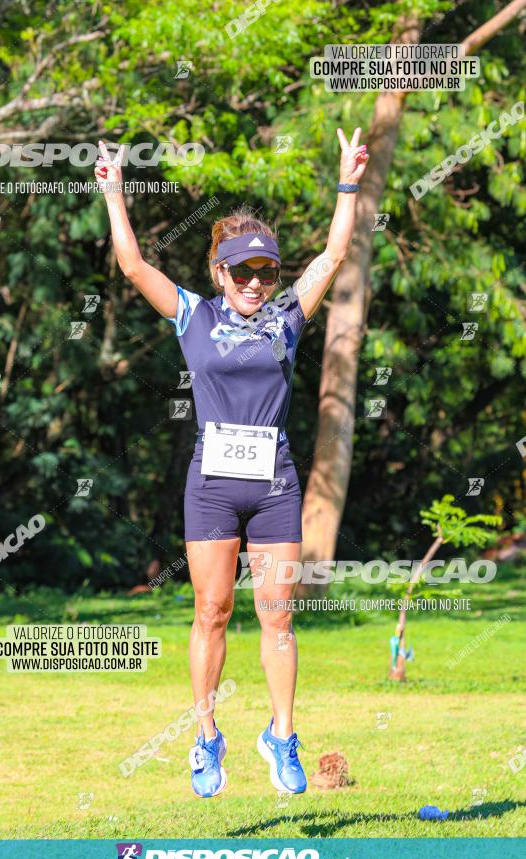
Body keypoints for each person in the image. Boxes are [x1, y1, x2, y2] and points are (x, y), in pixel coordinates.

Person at [96, 130, 369, 798]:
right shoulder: (193, 314)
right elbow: (133, 267)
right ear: (219, 272)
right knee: (211, 611)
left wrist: (347, 181)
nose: (253, 282)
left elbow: (335, 252)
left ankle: (280, 735)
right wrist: (112, 191)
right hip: (212, 487)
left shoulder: (287, 318)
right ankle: (206, 737)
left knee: (277, 613)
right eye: (240, 271)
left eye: (264, 271)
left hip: (274, 486)